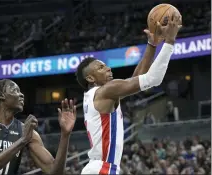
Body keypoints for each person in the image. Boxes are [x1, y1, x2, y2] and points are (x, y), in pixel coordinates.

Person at [76, 12, 182, 174]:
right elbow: (153, 79)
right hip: (103, 168)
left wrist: (152, 45)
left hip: (98, 167)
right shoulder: (106, 91)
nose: (108, 68)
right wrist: (169, 42)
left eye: (105, 65)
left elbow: (136, 80)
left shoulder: (98, 95)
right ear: (90, 78)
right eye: (101, 68)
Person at [0, 79, 76, 175]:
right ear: (1, 95)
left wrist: (65, 135)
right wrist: (22, 141)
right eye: (15, 90)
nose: (21, 94)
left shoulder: (25, 131)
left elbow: (55, 172)